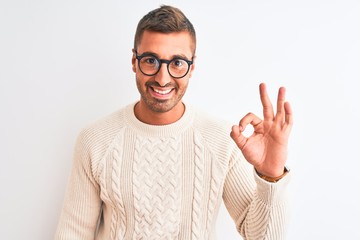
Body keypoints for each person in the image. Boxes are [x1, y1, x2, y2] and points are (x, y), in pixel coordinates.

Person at [55, 5, 293, 240]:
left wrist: (270, 175)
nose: (163, 78)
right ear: (134, 61)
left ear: (192, 67)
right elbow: (73, 234)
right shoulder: (95, 140)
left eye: (177, 63)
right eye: (151, 60)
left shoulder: (221, 140)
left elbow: (263, 238)